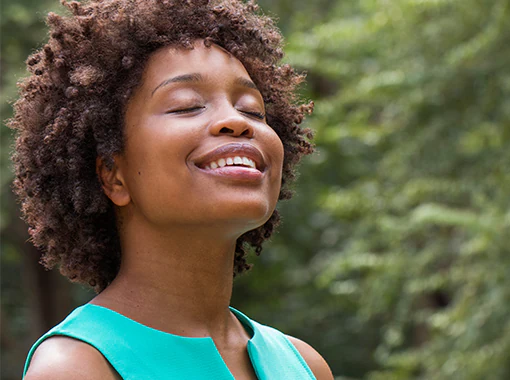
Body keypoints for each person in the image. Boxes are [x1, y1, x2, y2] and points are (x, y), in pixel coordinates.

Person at [10, 0, 332, 379]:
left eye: (252, 110)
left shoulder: (303, 365)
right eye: (186, 106)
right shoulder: (77, 367)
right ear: (114, 176)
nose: (235, 121)